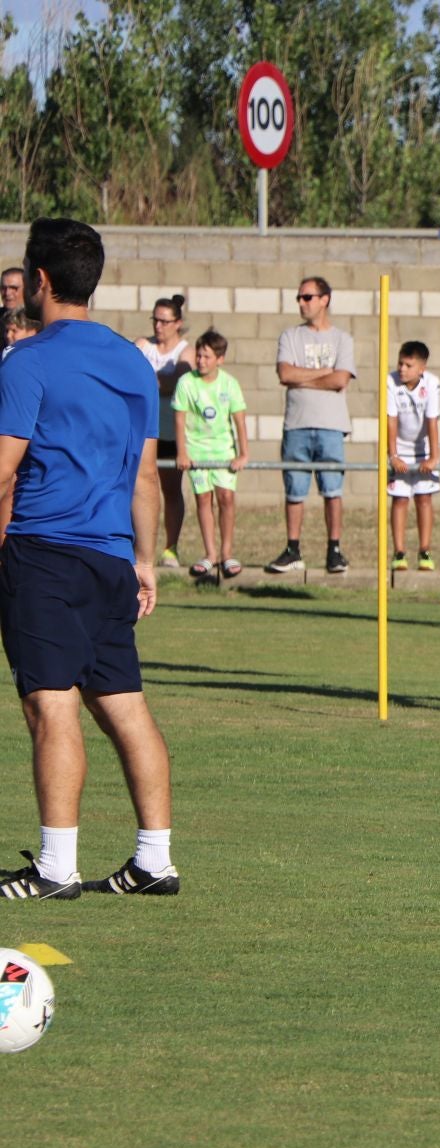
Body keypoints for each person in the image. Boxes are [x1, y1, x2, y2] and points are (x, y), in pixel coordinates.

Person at [0, 217, 177, 899]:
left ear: (39, 281)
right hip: (110, 561)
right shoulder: (134, 363)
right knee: (124, 706)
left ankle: (54, 868)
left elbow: (5, 472)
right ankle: (154, 859)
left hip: (45, 553)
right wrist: (145, 560)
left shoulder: (29, 360)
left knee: (51, 706)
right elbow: (144, 477)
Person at [267, 277, 355, 575]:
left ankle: (334, 550)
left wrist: (306, 376)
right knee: (295, 490)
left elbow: (340, 379)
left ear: (324, 299)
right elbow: (285, 373)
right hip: (297, 424)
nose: (302, 303)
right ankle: (293, 549)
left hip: (331, 425)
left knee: (333, 489)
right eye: (300, 297)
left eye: (307, 297)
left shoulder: (342, 339)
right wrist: (323, 374)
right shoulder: (290, 336)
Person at [171, 330, 249, 580]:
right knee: (203, 500)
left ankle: (227, 554)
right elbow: (180, 419)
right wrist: (182, 452)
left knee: (226, 498)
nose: (201, 361)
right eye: (199, 356)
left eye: (207, 356)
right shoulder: (186, 383)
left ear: (220, 359)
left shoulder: (230, 384)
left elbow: (239, 420)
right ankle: (210, 554)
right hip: (196, 451)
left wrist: (243, 453)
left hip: (223, 451)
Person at [133, 294, 191, 569]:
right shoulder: (143, 345)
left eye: (164, 321)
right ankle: (139, 546)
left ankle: (171, 547)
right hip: (143, 430)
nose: (158, 326)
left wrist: (149, 379)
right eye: (155, 320)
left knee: (171, 489)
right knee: (141, 487)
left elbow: (176, 382)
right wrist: (155, 381)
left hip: (169, 431)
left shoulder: (185, 350)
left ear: (177, 323)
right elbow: (131, 375)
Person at [386, 340, 440, 572]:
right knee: (399, 500)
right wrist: (393, 455)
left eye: (408, 365)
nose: (402, 369)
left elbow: (432, 421)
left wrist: (433, 457)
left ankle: (425, 550)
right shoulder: (390, 381)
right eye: (400, 363)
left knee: (424, 499)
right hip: (400, 449)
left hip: (424, 449)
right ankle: (399, 552)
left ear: (421, 368)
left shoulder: (432, 383)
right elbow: (391, 419)